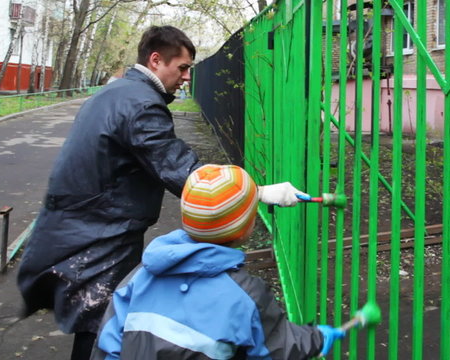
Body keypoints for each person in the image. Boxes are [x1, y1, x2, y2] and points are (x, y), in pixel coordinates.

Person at [17, 26, 305, 360]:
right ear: (155, 60)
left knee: (98, 317)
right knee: (101, 323)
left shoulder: (117, 92)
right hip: (103, 232)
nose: (186, 77)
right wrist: (256, 193)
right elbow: (184, 172)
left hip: (80, 225)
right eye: (182, 68)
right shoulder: (142, 106)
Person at [90, 164, 345, 359]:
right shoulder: (246, 295)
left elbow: (107, 345)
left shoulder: (138, 279)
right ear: (244, 229)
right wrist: (318, 338)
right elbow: (278, 345)